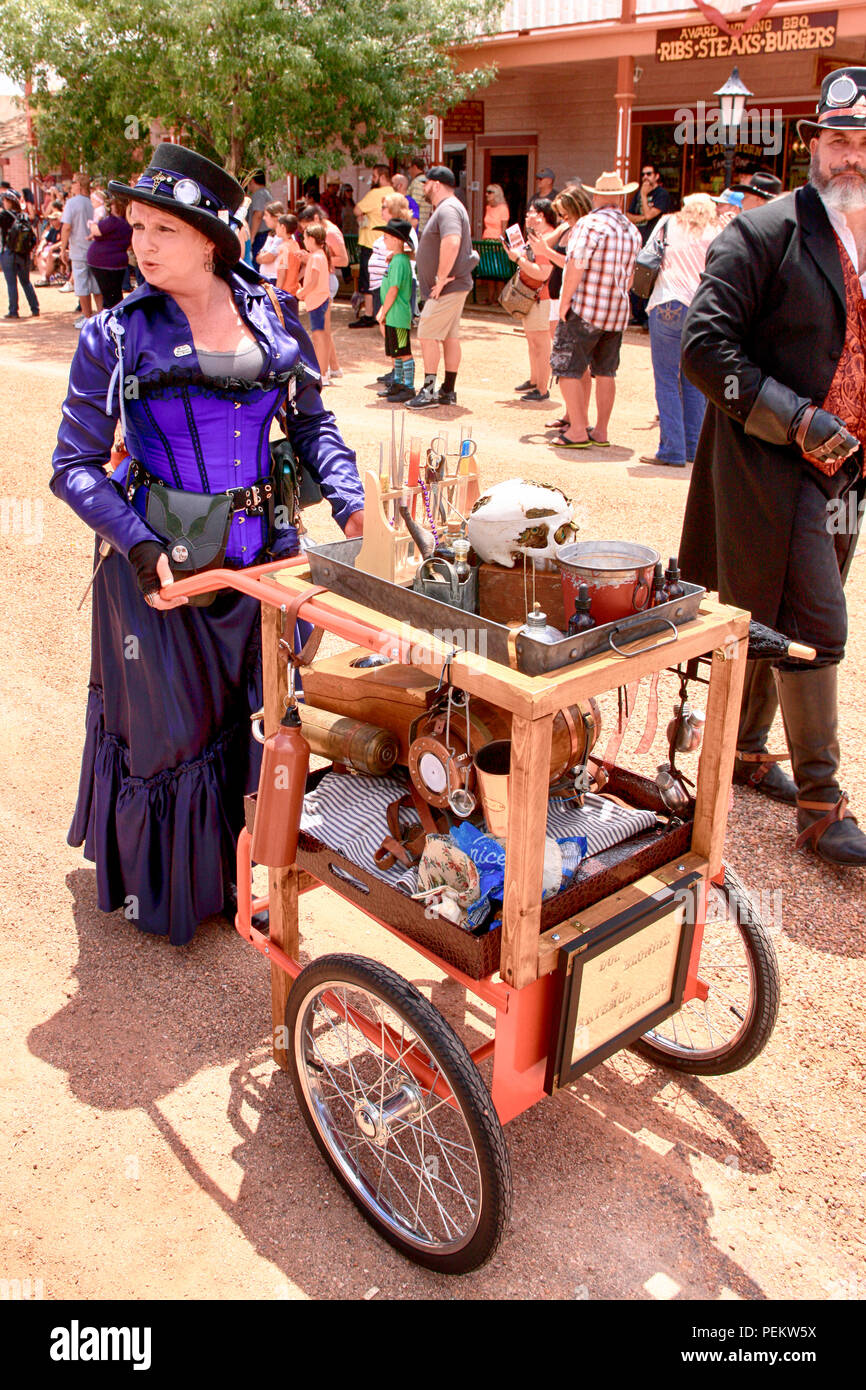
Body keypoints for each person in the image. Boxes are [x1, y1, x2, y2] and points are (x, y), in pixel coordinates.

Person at [51, 142, 364, 947]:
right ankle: (175, 892)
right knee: (177, 734)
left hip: (268, 563)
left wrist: (350, 498)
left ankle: (241, 873)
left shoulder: (273, 314)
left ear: (211, 239)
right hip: (165, 574)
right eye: (136, 226)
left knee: (264, 722)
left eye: (162, 229)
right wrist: (140, 543)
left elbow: (312, 422)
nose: (142, 244)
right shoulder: (116, 336)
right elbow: (74, 468)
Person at [679, 67, 866, 866]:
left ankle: (750, 753)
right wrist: (797, 420)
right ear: (812, 145)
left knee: (778, 612)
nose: (850, 156)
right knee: (818, 625)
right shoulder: (762, 234)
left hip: (849, 475)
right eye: (836, 139)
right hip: (776, 467)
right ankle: (822, 803)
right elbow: (701, 349)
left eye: (862, 143)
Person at [550, 171, 642, 448]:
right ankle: (600, 430)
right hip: (616, 310)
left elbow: (575, 263)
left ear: (598, 196)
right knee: (605, 371)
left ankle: (577, 429)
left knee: (566, 367)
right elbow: (632, 275)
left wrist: (565, 301)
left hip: (587, 307)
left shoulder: (590, 224)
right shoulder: (631, 229)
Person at [638, 193, 722, 468]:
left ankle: (671, 449)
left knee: (666, 379)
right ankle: (692, 447)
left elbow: (646, 257)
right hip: (702, 308)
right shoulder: (718, 230)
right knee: (693, 379)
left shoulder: (667, 223)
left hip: (667, 301)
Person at [408, 165, 477, 410]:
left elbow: (452, 241)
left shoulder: (447, 208)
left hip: (447, 286)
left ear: (435, 184)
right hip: (453, 285)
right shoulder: (451, 207)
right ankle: (447, 390)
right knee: (449, 337)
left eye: (425, 183)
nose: (424, 188)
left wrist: (440, 277)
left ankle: (428, 392)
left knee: (427, 333)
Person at [505, 198, 555, 402]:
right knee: (533, 341)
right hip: (532, 295)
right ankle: (535, 380)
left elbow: (543, 273)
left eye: (531, 212)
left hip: (540, 296)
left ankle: (542, 388)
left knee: (540, 343)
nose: (527, 216)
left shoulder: (546, 238)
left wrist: (517, 259)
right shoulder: (538, 236)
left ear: (542, 215)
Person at [374, 218, 416, 402]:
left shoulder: (399, 261)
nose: (384, 240)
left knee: (403, 351)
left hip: (397, 314)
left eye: (387, 237)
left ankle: (409, 386)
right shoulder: (397, 259)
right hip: (393, 314)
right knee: (395, 352)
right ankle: (398, 383)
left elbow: (394, 289)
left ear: (397, 240)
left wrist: (384, 309)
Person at [627, 162, 671, 327]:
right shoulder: (638, 194)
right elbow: (629, 215)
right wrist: (643, 217)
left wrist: (645, 196)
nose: (645, 177)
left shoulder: (661, 195)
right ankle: (637, 315)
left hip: (654, 243)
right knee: (635, 277)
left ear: (656, 176)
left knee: (649, 279)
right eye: (643, 174)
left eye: (649, 174)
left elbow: (650, 214)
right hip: (638, 240)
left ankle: (646, 317)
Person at [352, 164, 395, 327]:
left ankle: (369, 314)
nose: (372, 179)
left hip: (370, 242)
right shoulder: (394, 193)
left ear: (382, 177)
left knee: (368, 280)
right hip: (388, 243)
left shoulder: (375, 193)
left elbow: (357, 209)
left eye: (375, 176)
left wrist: (363, 214)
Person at [60, 173, 102, 328]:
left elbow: (66, 226)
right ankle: (101, 314)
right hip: (95, 249)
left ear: (79, 184)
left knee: (81, 284)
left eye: (73, 182)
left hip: (78, 249)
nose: (71, 185)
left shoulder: (72, 203)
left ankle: (87, 316)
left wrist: (64, 247)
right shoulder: (95, 202)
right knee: (97, 284)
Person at [85, 194, 133, 309]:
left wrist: (91, 223)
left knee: (109, 297)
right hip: (118, 261)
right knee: (115, 295)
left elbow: (96, 231)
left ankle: (111, 322)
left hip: (103, 261)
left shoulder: (113, 221)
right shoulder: (128, 224)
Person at [299, 221, 332, 382]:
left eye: (304, 238)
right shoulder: (318, 255)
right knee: (321, 336)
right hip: (319, 300)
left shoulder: (317, 256)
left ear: (311, 239)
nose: (303, 241)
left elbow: (313, 281)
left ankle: (322, 372)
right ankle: (324, 371)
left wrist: (301, 292)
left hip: (317, 301)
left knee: (318, 337)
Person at [0, 191, 40, 319]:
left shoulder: (4, 216)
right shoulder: (24, 216)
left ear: (9, 202)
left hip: (9, 252)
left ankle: (13, 311)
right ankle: (35, 308)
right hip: (24, 253)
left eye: (4, 201)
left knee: (12, 283)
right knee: (26, 282)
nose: (3, 203)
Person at [255, 200, 285, 283]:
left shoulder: (282, 236)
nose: (263, 218)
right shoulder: (271, 234)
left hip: (275, 279)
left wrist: (262, 256)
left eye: (266, 215)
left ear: (275, 217)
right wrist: (262, 256)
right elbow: (259, 256)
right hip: (267, 278)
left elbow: (269, 257)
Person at [275, 212, 302, 297]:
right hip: (294, 290)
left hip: (284, 292)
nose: (276, 229)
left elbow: (282, 272)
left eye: (277, 226)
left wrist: (276, 292)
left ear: (282, 227)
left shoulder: (284, 248)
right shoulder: (295, 245)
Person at [246, 170, 272, 258]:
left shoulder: (259, 194)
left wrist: (252, 237)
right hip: (265, 233)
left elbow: (258, 215)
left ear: (252, 181)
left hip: (260, 235)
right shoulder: (265, 193)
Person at [407, 155, 430, 234]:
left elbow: (414, 204)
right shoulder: (426, 181)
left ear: (415, 167)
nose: (409, 170)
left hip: (417, 227)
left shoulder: (417, 183)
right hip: (425, 224)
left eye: (409, 167)